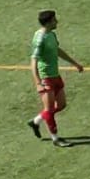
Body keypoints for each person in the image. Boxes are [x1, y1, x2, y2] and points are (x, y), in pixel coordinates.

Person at [26, 9, 84, 147]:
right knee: (49, 109)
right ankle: (55, 138)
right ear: (48, 23)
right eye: (54, 20)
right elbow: (33, 62)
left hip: (55, 75)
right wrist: (38, 82)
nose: (56, 22)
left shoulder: (51, 34)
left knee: (62, 105)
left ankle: (36, 121)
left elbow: (57, 50)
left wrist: (74, 63)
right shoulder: (40, 39)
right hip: (45, 77)